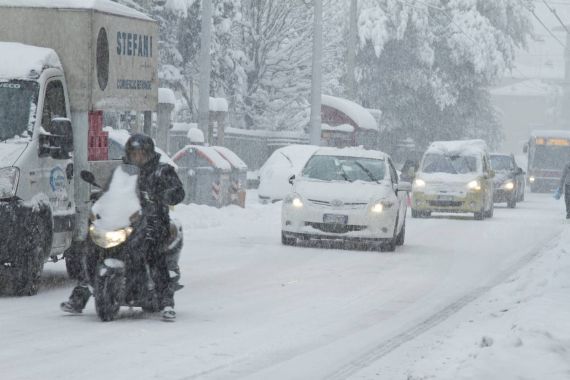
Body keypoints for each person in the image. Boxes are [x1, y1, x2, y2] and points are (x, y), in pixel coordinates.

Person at [61, 133, 185, 320]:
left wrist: (167, 195)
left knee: (154, 252)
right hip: (126, 219)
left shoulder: (162, 171)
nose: (138, 157)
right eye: (134, 153)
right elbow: (110, 191)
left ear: (149, 154)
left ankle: (167, 301)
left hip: (153, 221)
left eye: (141, 154)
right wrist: (100, 196)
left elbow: (178, 191)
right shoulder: (121, 172)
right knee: (93, 247)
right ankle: (80, 295)